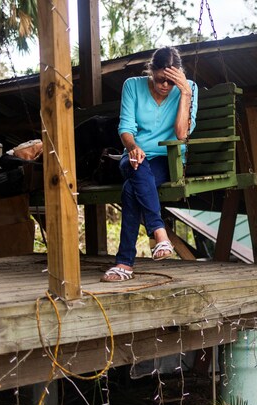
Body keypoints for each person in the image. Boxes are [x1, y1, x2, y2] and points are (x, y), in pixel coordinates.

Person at [102, 46, 198, 282]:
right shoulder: (132, 86)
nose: (165, 86)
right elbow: (125, 128)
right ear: (151, 71)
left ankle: (124, 263)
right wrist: (133, 148)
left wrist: (185, 93)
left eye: (171, 82)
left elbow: (181, 134)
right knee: (136, 167)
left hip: (168, 159)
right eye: (160, 79)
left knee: (130, 189)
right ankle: (159, 233)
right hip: (135, 155)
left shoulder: (189, 89)